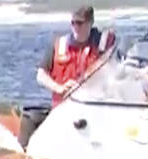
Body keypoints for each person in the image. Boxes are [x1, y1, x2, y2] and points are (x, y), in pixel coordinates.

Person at [19, 6, 116, 148]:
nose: (76, 27)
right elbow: (41, 75)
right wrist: (58, 88)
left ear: (90, 23)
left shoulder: (104, 45)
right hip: (62, 110)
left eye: (80, 23)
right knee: (30, 117)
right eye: (73, 23)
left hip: (91, 111)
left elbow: (116, 72)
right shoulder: (59, 44)